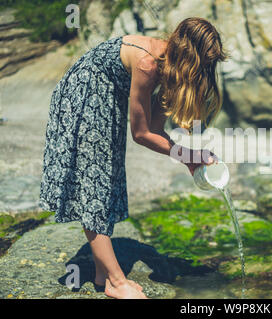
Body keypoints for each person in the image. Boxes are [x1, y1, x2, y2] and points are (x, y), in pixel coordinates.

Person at [39, 17, 228, 299]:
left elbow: (154, 130)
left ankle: (103, 272)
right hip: (83, 92)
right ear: (188, 55)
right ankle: (115, 281)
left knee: (109, 174)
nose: (203, 72)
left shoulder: (171, 69)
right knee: (95, 183)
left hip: (108, 97)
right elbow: (140, 134)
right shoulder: (148, 63)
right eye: (202, 64)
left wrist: (189, 157)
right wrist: (187, 155)